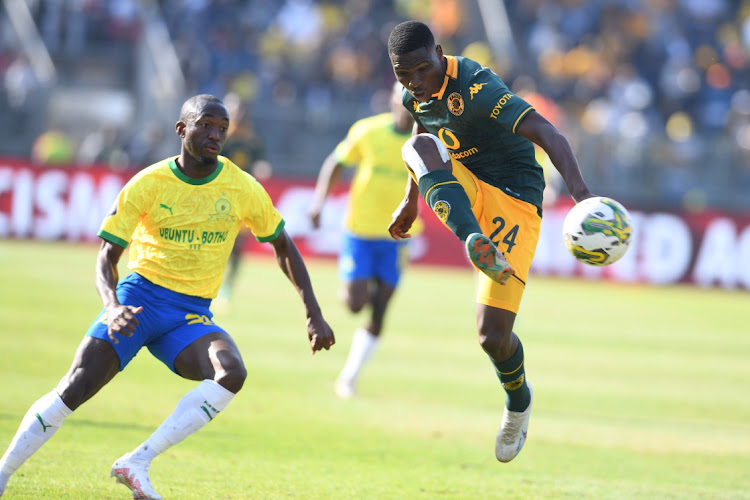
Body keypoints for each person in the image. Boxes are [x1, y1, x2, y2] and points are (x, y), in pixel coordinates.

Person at [0, 94, 335, 499]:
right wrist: (113, 307)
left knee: (231, 372)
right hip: (139, 301)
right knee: (73, 389)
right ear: (182, 129)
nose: (215, 135)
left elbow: (283, 246)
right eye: (206, 125)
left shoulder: (242, 186)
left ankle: (136, 461)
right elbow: (106, 259)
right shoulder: (148, 183)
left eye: (222, 129)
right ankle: (3, 474)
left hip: (190, 314)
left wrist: (313, 312)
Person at [386, 21, 593, 463]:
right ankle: (475, 240)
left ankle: (518, 404)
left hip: (516, 201)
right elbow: (420, 142)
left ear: (440, 52)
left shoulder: (477, 86)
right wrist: (410, 201)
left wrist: (582, 198)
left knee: (491, 336)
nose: (416, 83)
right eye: (405, 75)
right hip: (466, 195)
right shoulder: (412, 95)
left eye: (423, 70)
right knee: (417, 146)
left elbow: (547, 133)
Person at [308, 82, 416, 399]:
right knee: (355, 304)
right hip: (360, 231)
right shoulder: (368, 132)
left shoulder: (426, 141)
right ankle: (364, 283)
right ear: (393, 101)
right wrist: (318, 203)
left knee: (380, 311)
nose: (408, 105)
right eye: (403, 98)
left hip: (398, 237)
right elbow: (336, 163)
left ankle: (349, 378)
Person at [215, 92, 274, 306]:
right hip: (217, 197)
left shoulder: (251, 138)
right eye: (233, 109)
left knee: (237, 245)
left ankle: (228, 285)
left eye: (240, 109)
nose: (237, 114)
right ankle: (210, 281)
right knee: (217, 244)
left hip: (241, 198)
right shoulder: (220, 137)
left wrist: (262, 166)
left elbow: (260, 159)